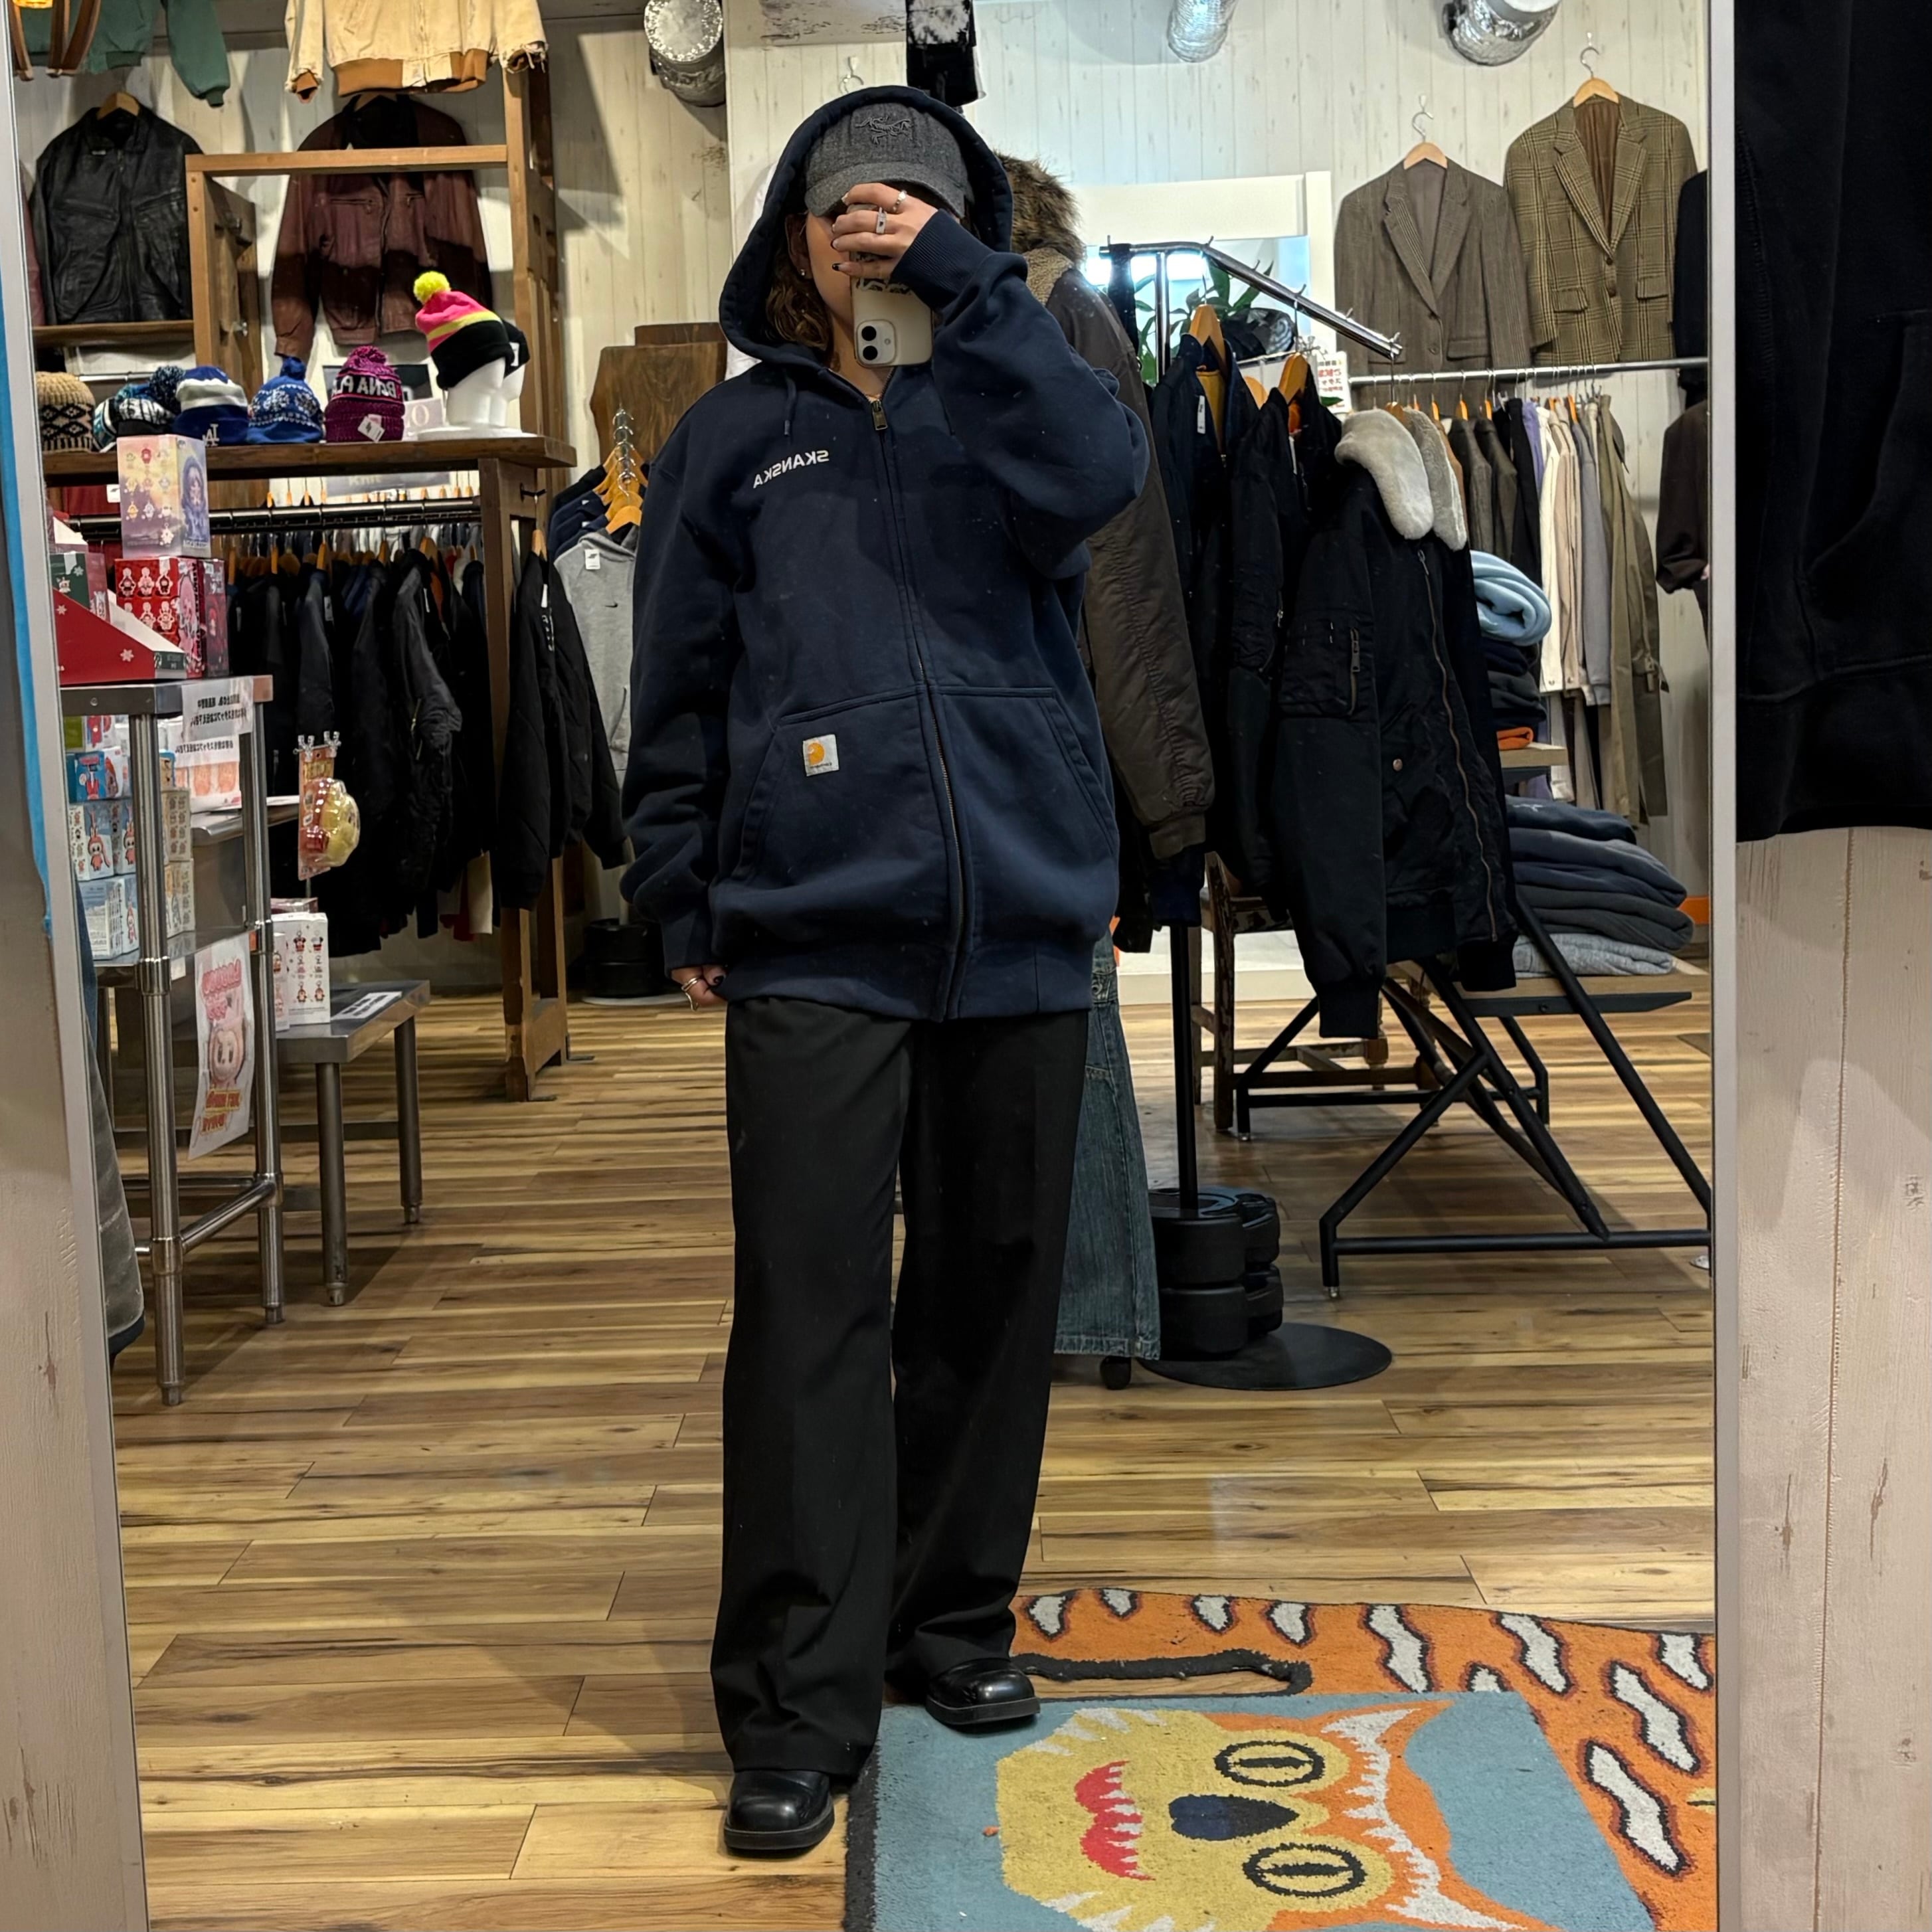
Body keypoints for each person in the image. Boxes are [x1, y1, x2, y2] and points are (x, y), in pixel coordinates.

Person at [623, 87, 1147, 1856]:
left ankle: (948, 1625)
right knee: (809, 1314)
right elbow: (679, 683)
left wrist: (976, 295)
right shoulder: (731, 440)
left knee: (993, 1293)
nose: (877, 232)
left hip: (1021, 913)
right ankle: (795, 1700)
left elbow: (1105, 481)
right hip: (812, 928)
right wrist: (682, 890)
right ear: (792, 231)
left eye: (915, 209)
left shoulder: (1019, 395)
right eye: (847, 207)